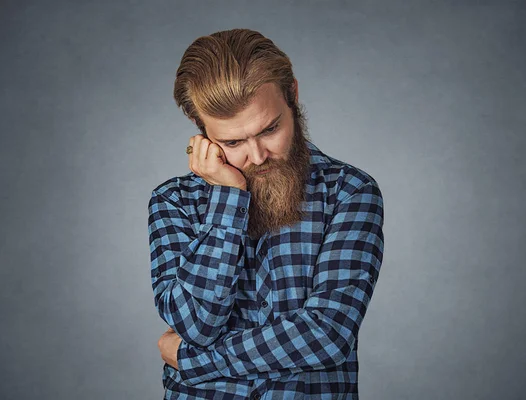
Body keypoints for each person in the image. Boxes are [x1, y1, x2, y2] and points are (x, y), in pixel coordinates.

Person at [147, 28, 384, 400]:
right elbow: (196, 324)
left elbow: (326, 335)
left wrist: (193, 361)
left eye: (270, 129)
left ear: (293, 95)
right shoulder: (173, 201)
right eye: (232, 142)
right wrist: (228, 198)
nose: (257, 156)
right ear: (201, 131)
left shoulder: (350, 192)